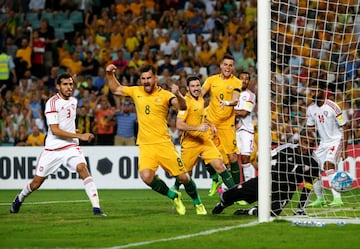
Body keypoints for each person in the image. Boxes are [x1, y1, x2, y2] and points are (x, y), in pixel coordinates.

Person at [106, 64, 207, 215]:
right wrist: (109, 74)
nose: (146, 81)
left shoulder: (166, 95)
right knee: (146, 177)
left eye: (148, 78)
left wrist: (178, 94)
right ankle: (173, 195)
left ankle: (198, 203)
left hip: (163, 144)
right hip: (146, 145)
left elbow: (183, 107)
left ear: (155, 78)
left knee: (184, 177)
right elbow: (116, 89)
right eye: (143, 78)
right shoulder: (136, 91)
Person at [10, 73, 106, 216]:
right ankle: (19, 198)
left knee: (83, 168)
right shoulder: (52, 102)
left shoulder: (74, 101)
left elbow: (67, 123)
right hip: (53, 149)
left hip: (71, 147)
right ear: (58, 86)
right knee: (36, 183)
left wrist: (74, 131)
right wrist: (80, 135)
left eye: (71, 84)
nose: (69, 87)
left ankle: (97, 208)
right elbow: (55, 130)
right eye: (65, 84)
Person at [212, 130, 320, 216]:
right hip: (267, 181)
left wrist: (301, 209)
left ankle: (250, 211)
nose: (308, 147)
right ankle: (223, 203)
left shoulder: (314, 162)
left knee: (273, 211)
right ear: (300, 140)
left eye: (311, 144)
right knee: (233, 193)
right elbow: (266, 157)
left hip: (284, 192)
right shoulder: (286, 149)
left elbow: (308, 188)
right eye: (306, 142)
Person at [172, 75, 236, 192]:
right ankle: (175, 188)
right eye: (192, 86)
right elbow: (179, 124)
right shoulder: (185, 103)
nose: (196, 88)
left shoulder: (200, 99)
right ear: (188, 88)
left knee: (220, 165)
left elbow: (199, 117)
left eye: (197, 85)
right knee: (186, 173)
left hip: (205, 141)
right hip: (190, 143)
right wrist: (197, 128)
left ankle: (236, 195)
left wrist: (210, 124)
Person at [201, 54, 242, 191]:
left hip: (227, 125)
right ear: (221, 66)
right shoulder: (211, 80)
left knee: (232, 157)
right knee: (203, 151)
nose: (228, 67)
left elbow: (236, 99)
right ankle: (214, 178)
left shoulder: (236, 82)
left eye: (230, 65)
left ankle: (237, 191)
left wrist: (227, 102)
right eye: (226, 64)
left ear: (233, 67)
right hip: (211, 123)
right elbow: (200, 94)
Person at [306, 80, 349, 207]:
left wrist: (345, 150)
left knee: (328, 165)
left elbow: (345, 127)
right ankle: (321, 199)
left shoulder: (333, 106)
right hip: (323, 143)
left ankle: (337, 199)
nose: (313, 93)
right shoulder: (310, 109)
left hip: (336, 140)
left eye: (316, 90)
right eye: (312, 91)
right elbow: (310, 127)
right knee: (313, 169)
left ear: (323, 91)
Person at [235, 71, 257, 182]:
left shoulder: (251, 95)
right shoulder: (232, 93)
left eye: (246, 78)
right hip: (232, 130)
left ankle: (249, 184)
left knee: (245, 159)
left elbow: (244, 113)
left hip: (246, 130)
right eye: (241, 78)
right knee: (232, 159)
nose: (244, 80)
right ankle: (228, 187)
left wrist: (229, 111)